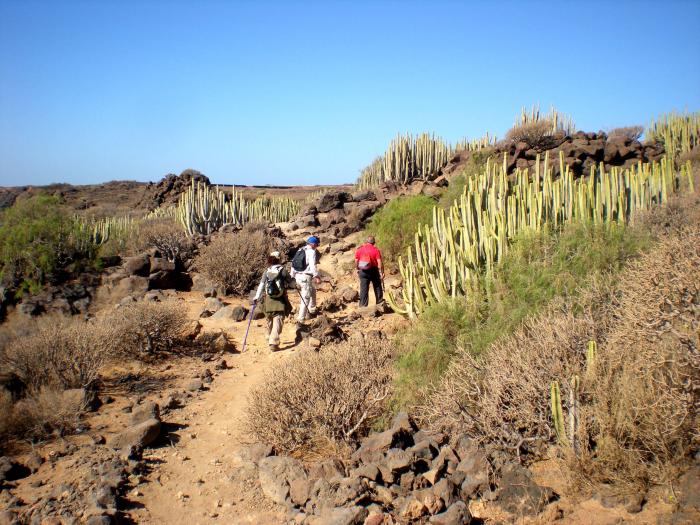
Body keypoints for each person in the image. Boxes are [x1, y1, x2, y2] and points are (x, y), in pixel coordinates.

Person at [252, 251, 295, 351]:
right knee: (278, 318)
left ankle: (268, 336)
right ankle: (273, 342)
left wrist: (256, 296)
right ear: (279, 259)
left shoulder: (267, 271)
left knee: (269, 317)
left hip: (268, 298)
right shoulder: (282, 270)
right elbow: (291, 283)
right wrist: (296, 284)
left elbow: (262, 285)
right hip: (280, 299)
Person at [290, 236, 321, 324]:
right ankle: (301, 318)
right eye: (316, 245)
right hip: (305, 277)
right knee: (306, 297)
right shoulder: (311, 252)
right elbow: (312, 265)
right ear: (313, 244)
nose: (317, 247)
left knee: (312, 290)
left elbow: (293, 263)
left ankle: (312, 309)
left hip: (297, 276)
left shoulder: (300, 250)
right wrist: (316, 276)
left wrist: (292, 276)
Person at [354, 235, 384, 307]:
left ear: (366, 242)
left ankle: (363, 306)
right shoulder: (376, 250)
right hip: (374, 271)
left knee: (364, 289)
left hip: (363, 271)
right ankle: (380, 304)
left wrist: (357, 269)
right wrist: (381, 272)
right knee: (377, 287)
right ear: (374, 242)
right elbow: (379, 262)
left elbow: (356, 261)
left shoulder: (359, 249)